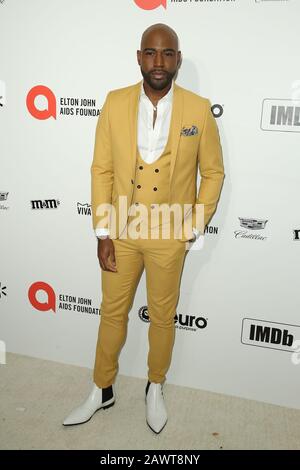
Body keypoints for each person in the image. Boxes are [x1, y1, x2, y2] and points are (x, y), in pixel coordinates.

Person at [63, 23, 225, 434]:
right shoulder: (115, 103)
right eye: (151, 53)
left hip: (170, 234)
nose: (159, 62)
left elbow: (214, 172)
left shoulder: (198, 108)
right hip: (121, 229)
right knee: (112, 313)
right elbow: (101, 168)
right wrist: (102, 232)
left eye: (167, 53)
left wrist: (193, 225)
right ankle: (102, 388)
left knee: (163, 318)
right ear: (139, 57)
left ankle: (155, 386)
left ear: (178, 60)